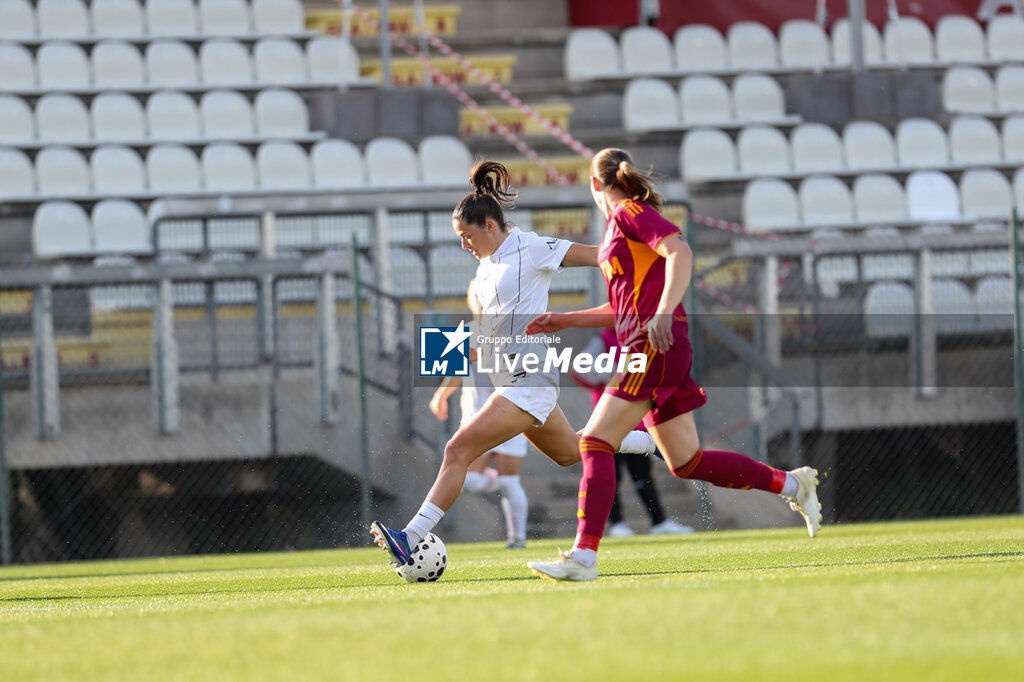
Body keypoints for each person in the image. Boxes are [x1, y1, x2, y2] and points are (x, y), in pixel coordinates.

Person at [525, 148, 822, 582]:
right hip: (656, 344)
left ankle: (584, 557)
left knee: (593, 442)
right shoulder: (615, 232)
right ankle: (795, 485)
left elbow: (679, 253)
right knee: (686, 462)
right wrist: (569, 318)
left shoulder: (629, 212)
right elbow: (623, 304)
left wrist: (665, 310)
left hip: (653, 344)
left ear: (594, 185)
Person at [370, 160, 662, 568]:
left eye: (466, 235)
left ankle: (410, 536)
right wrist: (443, 374)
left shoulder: (532, 247)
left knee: (457, 450)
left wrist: (647, 254)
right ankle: (649, 441)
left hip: (530, 379)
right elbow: (484, 335)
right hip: (511, 378)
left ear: (489, 226)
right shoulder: (486, 269)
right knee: (570, 452)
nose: (463, 245)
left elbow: (601, 256)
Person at [428, 279, 530, 549]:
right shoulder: (466, 333)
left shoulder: (514, 332)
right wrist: (440, 396)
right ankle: (493, 480)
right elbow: (454, 370)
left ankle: (517, 538)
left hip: (510, 415)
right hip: (476, 418)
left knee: (511, 482)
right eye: (476, 296)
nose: (481, 301)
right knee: (471, 481)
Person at [572, 328, 693, 538]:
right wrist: (605, 380)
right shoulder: (604, 340)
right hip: (610, 421)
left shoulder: (638, 338)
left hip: (636, 421)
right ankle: (617, 523)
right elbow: (578, 370)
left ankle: (659, 521)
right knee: (611, 474)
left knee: (644, 474)